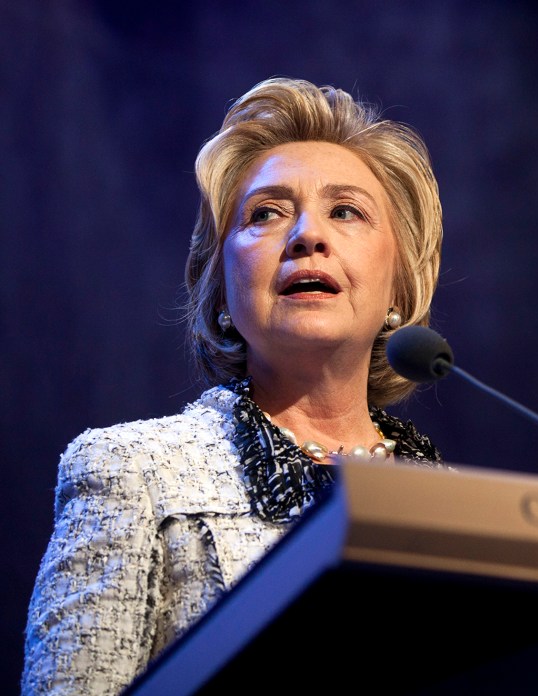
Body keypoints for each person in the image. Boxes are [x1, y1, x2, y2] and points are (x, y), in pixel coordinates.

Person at [21, 77, 446, 695]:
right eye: (266, 213)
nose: (308, 235)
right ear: (221, 291)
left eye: (346, 210)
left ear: (398, 286)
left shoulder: (461, 509)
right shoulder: (133, 471)